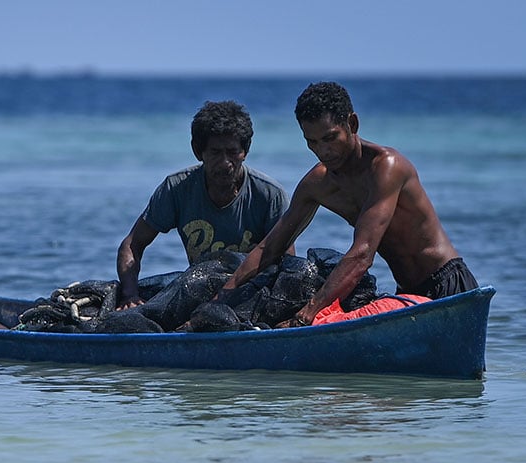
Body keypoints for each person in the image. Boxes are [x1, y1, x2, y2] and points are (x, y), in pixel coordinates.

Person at [215, 81, 478, 327]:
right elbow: (271, 248)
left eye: (330, 138)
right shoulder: (318, 184)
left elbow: (362, 255)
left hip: (447, 282)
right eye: (312, 142)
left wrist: (309, 311)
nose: (323, 151)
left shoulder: (386, 168)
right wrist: (223, 296)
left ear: (352, 124)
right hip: (407, 292)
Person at [116, 100, 290, 309]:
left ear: (245, 151)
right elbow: (132, 245)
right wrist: (130, 295)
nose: (225, 163)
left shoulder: (269, 195)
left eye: (232, 152)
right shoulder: (177, 189)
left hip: (252, 296)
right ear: (199, 152)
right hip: (201, 292)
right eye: (216, 153)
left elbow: (288, 264)